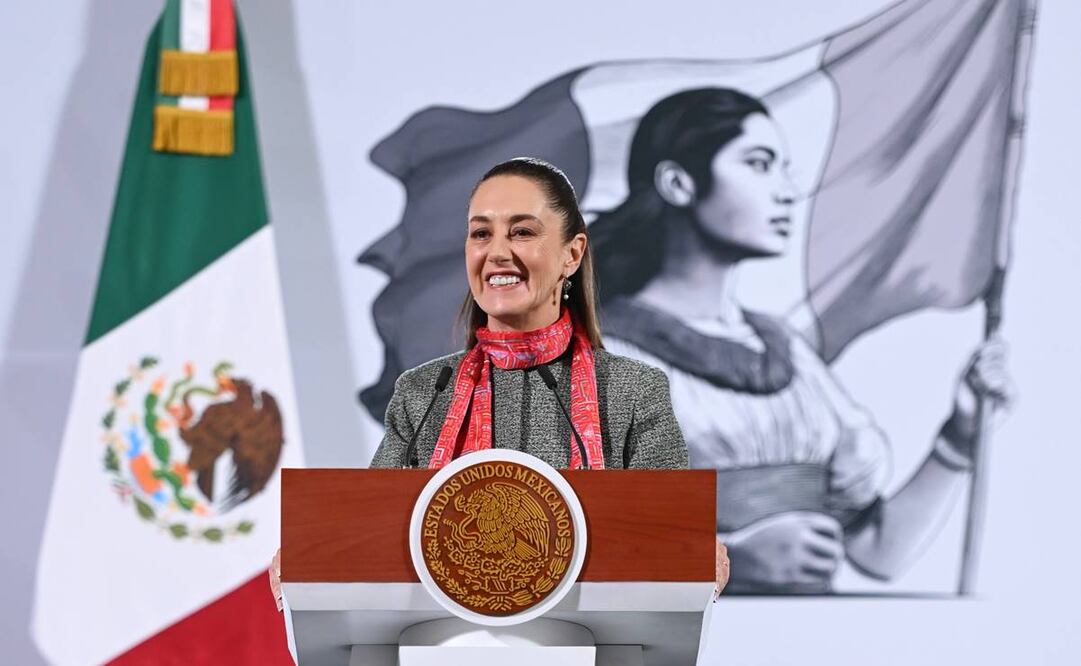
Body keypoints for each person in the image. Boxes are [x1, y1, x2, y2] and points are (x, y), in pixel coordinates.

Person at [590, 88, 1015, 594]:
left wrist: (961, 434)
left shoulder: (788, 353)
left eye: (784, 168)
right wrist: (727, 561)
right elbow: (560, 545)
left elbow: (878, 551)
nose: (788, 191)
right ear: (678, 183)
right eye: (759, 164)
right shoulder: (601, 358)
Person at [270, 157, 725, 610]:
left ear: (571, 254)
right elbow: (370, 536)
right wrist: (315, 556)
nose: (497, 252)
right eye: (481, 233)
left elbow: (670, 536)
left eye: (522, 232)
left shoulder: (633, 391)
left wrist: (695, 549)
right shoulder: (423, 393)